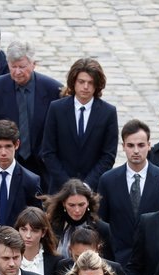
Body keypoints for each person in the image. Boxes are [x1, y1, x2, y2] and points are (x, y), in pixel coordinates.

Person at [0, 41, 62, 190]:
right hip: (8, 162)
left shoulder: (53, 89)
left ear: (33, 64)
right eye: (13, 67)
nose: (17, 72)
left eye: (22, 66)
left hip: (42, 165)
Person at [40, 57, 118, 193]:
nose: (85, 87)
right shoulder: (56, 109)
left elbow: (108, 155)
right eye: (81, 82)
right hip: (60, 189)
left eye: (90, 83)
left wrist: (87, 185)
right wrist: (68, 185)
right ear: (74, 82)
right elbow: (48, 152)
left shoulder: (108, 112)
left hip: (93, 190)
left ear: (97, 85)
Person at [97, 119, 159, 266]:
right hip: (117, 260)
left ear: (149, 145)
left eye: (141, 145)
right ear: (123, 147)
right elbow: (101, 221)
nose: (136, 151)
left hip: (153, 260)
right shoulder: (108, 180)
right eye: (130, 145)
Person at [45, 178, 113, 262]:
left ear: (88, 202)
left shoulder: (102, 229)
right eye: (72, 205)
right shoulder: (51, 226)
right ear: (63, 203)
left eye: (81, 204)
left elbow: (110, 263)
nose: (77, 210)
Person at [16, 207, 62, 275]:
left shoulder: (56, 261)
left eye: (34, 230)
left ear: (43, 232)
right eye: (24, 229)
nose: (28, 235)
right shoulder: (8, 258)